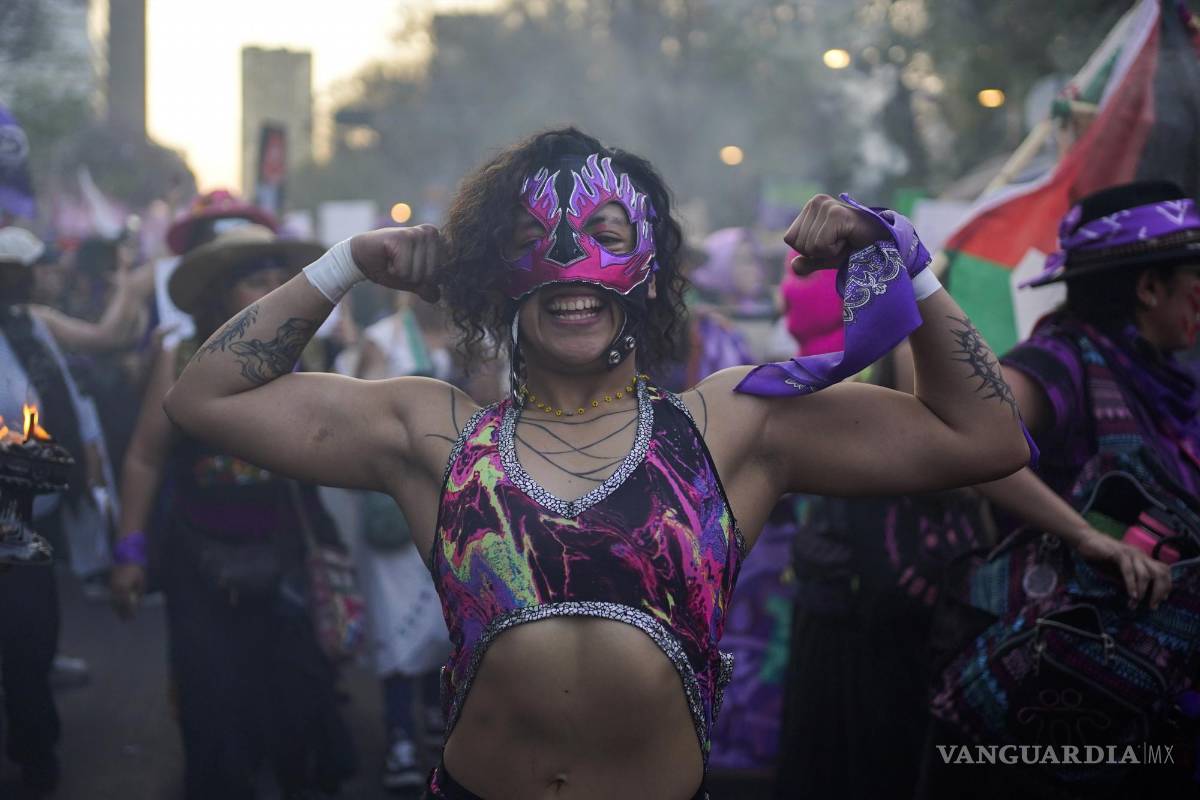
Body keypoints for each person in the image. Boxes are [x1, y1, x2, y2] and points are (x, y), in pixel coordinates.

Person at [163, 128, 1033, 799]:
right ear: (501, 278)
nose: (573, 263)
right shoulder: (430, 431)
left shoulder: (732, 426)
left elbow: (984, 439)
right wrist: (346, 262)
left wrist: (902, 260)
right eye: (535, 237)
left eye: (606, 233)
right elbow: (205, 400)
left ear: (649, 273)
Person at [109, 223, 355, 799]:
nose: (272, 289)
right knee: (214, 706)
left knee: (297, 703)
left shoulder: (303, 355)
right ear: (220, 294)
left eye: (280, 278)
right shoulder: (182, 359)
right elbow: (145, 457)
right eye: (255, 280)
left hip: (289, 551)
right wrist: (129, 550)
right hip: (199, 561)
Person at [0, 226, 108, 794]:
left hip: (29, 518)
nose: (44, 274)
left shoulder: (32, 325)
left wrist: (86, 449)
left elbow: (68, 393)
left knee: (32, 634)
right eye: (31, 267)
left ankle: (33, 740)